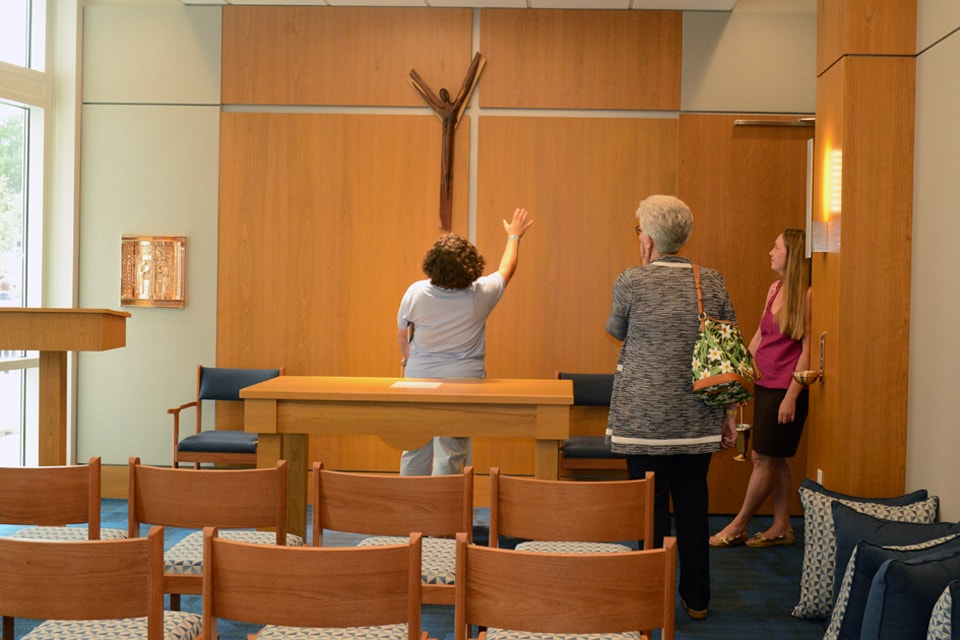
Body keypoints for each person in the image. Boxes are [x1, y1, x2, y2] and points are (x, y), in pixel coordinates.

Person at [605, 194, 738, 621]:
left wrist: (644, 269)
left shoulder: (631, 280)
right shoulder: (711, 281)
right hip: (697, 416)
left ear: (648, 237)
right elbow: (727, 349)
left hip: (642, 419)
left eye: (638, 228)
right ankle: (697, 600)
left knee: (649, 507)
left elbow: (615, 330)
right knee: (694, 503)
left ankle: (650, 598)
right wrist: (730, 414)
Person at [396, 208, 533, 476]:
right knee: (451, 451)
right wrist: (514, 237)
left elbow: (403, 334)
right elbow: (507, 268)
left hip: (418, 379)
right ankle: (445, 513)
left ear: (431, 264)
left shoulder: (416, 292)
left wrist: (408, 356)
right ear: (471, 264)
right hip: (464, 382)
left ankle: (410, 511)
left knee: (414, 446)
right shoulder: (481, 294)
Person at [709, 228, 812, 549]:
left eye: (776, 246)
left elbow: (808, 350)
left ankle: (739, 524)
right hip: (764, 384)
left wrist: (792, 396)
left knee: (761, 457)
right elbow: (759, 337)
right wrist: (738, 376)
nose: (770, 251)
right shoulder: (774, 289)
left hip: (786, 389)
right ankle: (782, 525)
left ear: (791, 255)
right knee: (776, 457)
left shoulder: (808, 295)